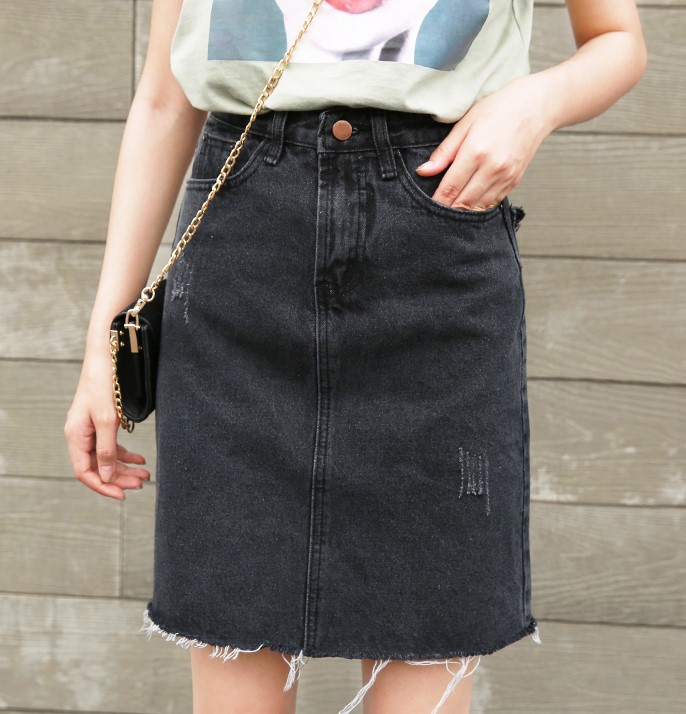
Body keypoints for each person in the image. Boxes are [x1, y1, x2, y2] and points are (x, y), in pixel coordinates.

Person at [64, 1, 647, 713]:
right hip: (240, 256)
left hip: (437, 241)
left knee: (427, 635)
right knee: (233, 641)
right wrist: (103, 344)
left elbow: (618, 40)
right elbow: (163, 101)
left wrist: (537, 101)